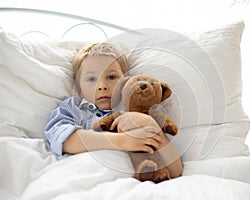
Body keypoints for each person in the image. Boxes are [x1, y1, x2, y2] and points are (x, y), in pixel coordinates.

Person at [44, 42, 182, 178]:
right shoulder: (74, 108)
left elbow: (175, 170)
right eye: (91, 79)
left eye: (111, 77)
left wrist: (150, 124)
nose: (102, 86)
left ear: (125, 81)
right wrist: (123, 140)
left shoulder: (136, 110)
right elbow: (64, 139)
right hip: (88, 175)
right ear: (80, 90)